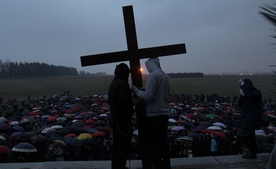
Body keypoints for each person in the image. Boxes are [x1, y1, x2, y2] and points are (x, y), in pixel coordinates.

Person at [131, 57, 171, 169]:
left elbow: (149, 97)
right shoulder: (165, 76)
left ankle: (157, 165)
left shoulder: (153, 75)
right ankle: (166, 165)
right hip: (164, 113)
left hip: (153, 114)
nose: (148, 69)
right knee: (163, 141)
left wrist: (136, 90)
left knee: (154, 144)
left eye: (148, 66)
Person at [108, 63, 134, 169]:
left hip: (115, 119)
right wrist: (133, 102)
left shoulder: (113, 83)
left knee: (116, 146)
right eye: (127, 73)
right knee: (122, 147)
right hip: (122, 121)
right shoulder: (123, 84)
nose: (128, 76)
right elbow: (124, 103)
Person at [236, 78, 262, 158]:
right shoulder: (246, 95)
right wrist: (242, 95)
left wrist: (243, 86)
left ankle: (252, 150)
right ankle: (253, 152)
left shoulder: (256, 92)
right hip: (246, 117)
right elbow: (239, 104)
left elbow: (251, 96)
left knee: (241, 133)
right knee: (251, 136)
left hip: (252, 117)